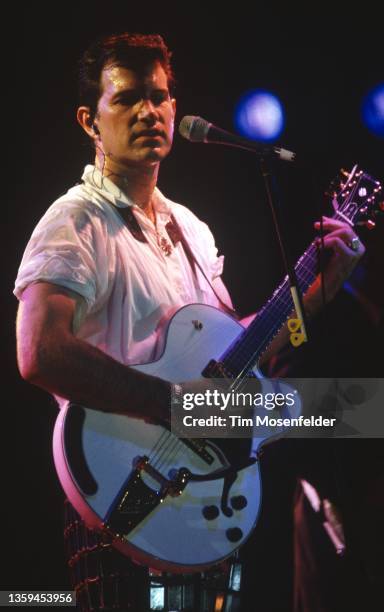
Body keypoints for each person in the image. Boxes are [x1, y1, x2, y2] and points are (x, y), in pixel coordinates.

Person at [14, 33, 365, 612]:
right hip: (126, 493)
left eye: (160, 96)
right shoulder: (75, 219)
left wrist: (319, 291)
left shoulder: (191, 230)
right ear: (90, 121)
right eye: (126, 99)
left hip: (199, 501)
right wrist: (173, 403)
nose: (149, 111)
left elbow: (231, 352)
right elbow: (39, 352)